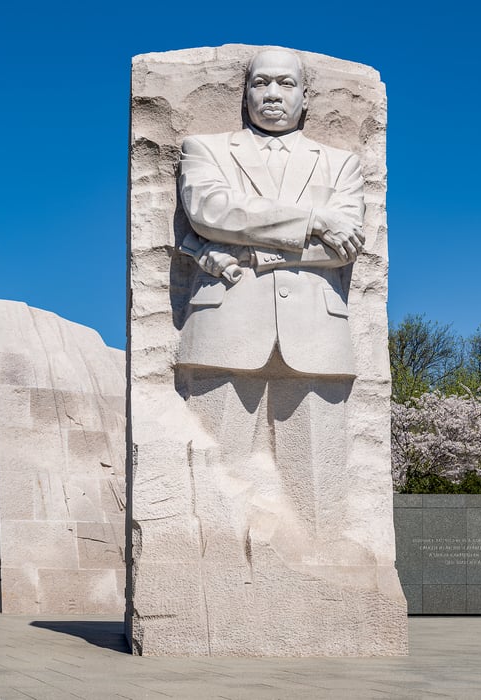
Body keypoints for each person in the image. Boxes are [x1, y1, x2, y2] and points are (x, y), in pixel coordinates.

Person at [175, 49, 370, 557]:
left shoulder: (342, 163)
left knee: (320, 489)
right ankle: (214, 573)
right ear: (244, 94)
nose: (272, 94)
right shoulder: (205, 149)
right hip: (225, 325)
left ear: (306, 97)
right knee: (215, 471)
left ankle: (323, 576)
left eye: (286, 83)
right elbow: (211, 211)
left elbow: (344, 248)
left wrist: (249, 249)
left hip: (317, 333)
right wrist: (313, 222)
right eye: (261, 83)